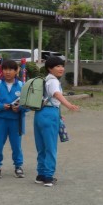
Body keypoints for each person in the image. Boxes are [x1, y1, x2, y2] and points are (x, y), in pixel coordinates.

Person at [33, 56, 80, 187]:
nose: (61, 69)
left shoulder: (45, 80)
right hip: (50, 114)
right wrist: (69, 105)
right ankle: (48, 177)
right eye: (57, 66)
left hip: (40, 113)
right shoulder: (53, 81)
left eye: (62, 66)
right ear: (50, 68)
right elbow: (57, 95)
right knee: (51, 147)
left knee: (41, 147)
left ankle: (40, 174)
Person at [0, 59, 28, 178]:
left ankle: (18, 166)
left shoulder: (22, 86)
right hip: (0, 120)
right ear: (2, 70)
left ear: (16, 71)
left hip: (16, 121)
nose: (7, 72)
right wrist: (0, 106)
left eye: (11, 69)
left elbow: (28, 104)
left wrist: (19, 108)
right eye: (5, 69)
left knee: (16, 145)